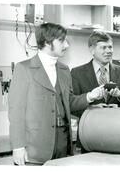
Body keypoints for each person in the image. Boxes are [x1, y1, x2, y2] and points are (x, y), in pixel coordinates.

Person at [8, 23, 89, 165]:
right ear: (47, 42)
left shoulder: (64, 70)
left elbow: (68, 102)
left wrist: (90, 97)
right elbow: (16, 112)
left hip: (63, 144)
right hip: (35, 148)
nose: (66, 45)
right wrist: (18, 147)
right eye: (62, 41)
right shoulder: (24, 69)